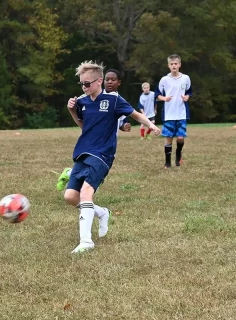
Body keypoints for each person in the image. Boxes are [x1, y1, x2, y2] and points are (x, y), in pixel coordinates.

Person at [64, 61, 160, 254]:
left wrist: (151, 125)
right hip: (83, 151)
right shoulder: (82, 102)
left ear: (99, 81)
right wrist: (72, 110)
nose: (84, 87)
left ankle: (86, 241)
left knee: (85, 193)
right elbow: (84, 127)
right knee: (70, 196)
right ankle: (101, 212)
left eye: (87, 83)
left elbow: (135, 115)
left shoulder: (114, 100)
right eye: (81, 84)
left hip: (102, 154)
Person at [155, 54, 192, 168]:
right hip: (169, 114)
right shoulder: (164, 80)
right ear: (168, 66)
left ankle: (178, 155)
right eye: (171, 64)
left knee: (180, 138)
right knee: (169, 138)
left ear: (179, 65)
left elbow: (189, 92)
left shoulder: (186, 78)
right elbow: (157, 95)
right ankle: (167, 162)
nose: (174, 65)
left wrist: (187, 97)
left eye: (176, 63)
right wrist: (164, 98)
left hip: (181, 113)